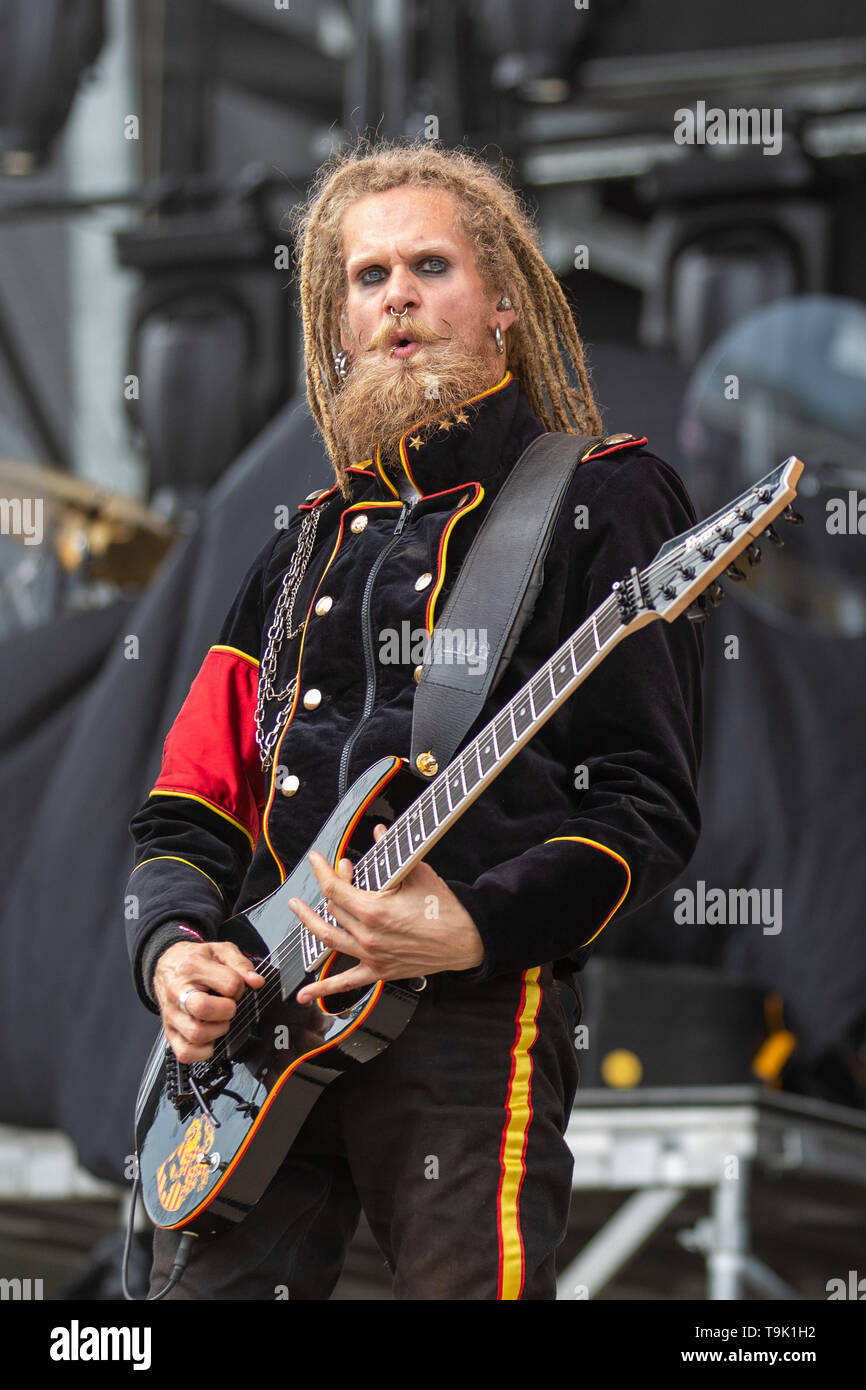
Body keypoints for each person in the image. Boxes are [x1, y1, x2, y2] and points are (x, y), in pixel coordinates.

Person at [125, 139, 703, 1300]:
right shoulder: (299, 545)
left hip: (466, 1024)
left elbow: (644, 808)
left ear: (500, 303)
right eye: (366, 276)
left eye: (429, 266)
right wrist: (174, 951)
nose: (396, 297)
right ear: (336, 324)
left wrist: (477, 926)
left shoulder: (600, 495)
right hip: (254, 1036)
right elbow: (185, 809)